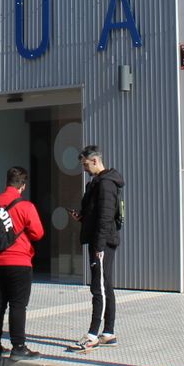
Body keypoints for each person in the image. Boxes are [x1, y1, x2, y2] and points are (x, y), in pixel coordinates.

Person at [0, 165, 44, 359]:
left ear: (7, 182)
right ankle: (18, 347)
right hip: (19, 262)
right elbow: (38, 233)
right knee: (18, 305)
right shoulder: (26, 206)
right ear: (22, 185)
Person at [68, 145, 124, 351]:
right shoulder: (98, 183)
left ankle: (92, 335)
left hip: (102, 242)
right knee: (105, 285)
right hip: (102, 240)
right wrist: (82, 217)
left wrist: (99, 246)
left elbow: (106, 217)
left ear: (94, 161)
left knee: (98, 287)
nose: (83, 169)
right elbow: (97, 213)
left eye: (84, 164)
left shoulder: (106, 184)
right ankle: (108, 333)